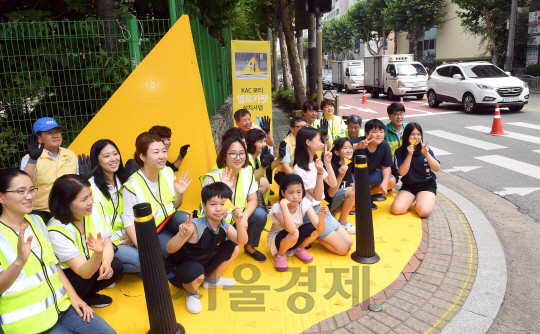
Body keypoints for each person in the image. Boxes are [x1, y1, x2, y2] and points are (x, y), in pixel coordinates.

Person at [0, 169, 116, 334]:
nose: (29, 196)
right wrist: (19, 262)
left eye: (31, 190)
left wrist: (75, 298)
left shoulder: (37, 221)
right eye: (21, 191)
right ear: (1, 197)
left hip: (62, 307)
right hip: (30, 323)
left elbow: (53, 266)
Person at [165, 182, 248, 314]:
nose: (219, 209)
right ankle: (192, 293)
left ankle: (212, 280)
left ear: (228, 206)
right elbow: (169, 249)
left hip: (202, 266)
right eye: (213, 204)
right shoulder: (194, 226)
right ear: (204, 205)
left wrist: (239, 222)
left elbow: (242, 240)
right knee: (197, 271)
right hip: (179, 271)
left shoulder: (224, 225)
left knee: (233, 246)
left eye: (223, 204)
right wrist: (181, 236)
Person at [47, 175, 124, 308]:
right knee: (83, 281)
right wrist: (98, 255)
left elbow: (106, 243)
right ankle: (71, 303)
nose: (90, 201)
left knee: (115, 266)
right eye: (84, 199)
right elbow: (84, 272)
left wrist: (105, 262)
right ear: (66, 203)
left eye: (90, 195)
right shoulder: (55, 230)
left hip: (89, 265)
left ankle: (87, 297)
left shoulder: (96, 209)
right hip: (73, 275)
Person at [122, 133, 192, 258]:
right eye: (156, 152)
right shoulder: (131, 186)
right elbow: (128, 221)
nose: (162, 156)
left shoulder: (167, 171)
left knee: (188, 222)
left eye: (163, 151)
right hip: (152, 231)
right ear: (142, 156)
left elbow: (175, 205)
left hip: (170, 219)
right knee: (173, 253)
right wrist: (141, 246)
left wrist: (179, 194)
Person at [199, 137, 268, 262]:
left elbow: (253, 200)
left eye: (241, 153)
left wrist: (244, 218)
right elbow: (212, 211)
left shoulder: (247, 172)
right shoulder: (212, 177)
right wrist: (225, 188)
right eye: (232, 153)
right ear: (224, 156)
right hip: (216, 223)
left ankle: (249, 246)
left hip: (237, 219)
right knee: (226, 250)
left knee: (260, 214)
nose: (238, 157)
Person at [293, 127, 353, 256]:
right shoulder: (299, 170)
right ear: (308, 142)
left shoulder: (316, 162)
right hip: (309, 214)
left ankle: (317, 235)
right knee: (343, 250)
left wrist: (327, 162)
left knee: (350, 242)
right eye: (319, 140)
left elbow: (333, 183)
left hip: (321, 209)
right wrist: (320, 172)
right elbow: (317, 195)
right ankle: (312, 235)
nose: (322, 143)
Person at [87, 139, 140, 276]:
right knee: (141, 261)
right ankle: (106, 264)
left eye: (115, 154)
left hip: (127, 234)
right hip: (107, 242)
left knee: (156, 253)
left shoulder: (124, 180)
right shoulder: (90, 187)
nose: (113, 159)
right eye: (106, 156)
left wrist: (130, 234)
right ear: (97, 160)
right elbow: (95, 224)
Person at [20, 117, 78, 223]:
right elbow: (24, 184)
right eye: (49, 133)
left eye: (57, 131)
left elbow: (77, 182)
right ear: (39, 139)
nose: (55, 135)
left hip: (69, 209)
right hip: (41, 213)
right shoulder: (29, 158)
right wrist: (33, 159)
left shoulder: (70, 154)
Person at [268, 174, 328, 272]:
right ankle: (280, 255)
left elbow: (321, 229)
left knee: (315, 229)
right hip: (278, 240)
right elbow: (291, 229)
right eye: (291, 193)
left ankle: (299, 249)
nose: (295, 197)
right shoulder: (277, 207)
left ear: (303, 192)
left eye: (299, 192)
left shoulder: (304, 202)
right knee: (294, 232)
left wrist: (321, 216)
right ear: (283, 193)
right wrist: (283, 206)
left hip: (294, 237)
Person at [391, 123, 440, 217]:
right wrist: (409, 154)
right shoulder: (399, 151)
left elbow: (437, 168)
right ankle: (415, 198)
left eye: (418, 134)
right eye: (412, 134)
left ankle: (423, 198)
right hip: (409, 186)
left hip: (427, 185)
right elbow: (402, 172)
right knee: (396, 210)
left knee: (423, 212)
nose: (416, 137)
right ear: (406, 136)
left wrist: (426, 154)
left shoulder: (426, 149)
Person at [354, 119, 397, 207]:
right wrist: (357, 146)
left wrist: (384, 183)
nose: (379, 134)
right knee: (351, 191)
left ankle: (366, 195)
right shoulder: (358, 142)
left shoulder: (385, 145)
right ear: (366, 134)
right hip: (354, 176)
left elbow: (386, 167)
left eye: (381, 132)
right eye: (375, 132)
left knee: (391, 181)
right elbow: (338, 147)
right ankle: (357, 197)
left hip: (371, 174)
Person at [324, 138, 356, 234]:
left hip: (335, 201)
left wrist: (354, 184)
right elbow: (330, 193)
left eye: (351, 148)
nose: (349, 150)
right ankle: (343, 222)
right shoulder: (331, 166)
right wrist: (340, 176)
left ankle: (333, 213)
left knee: (359, 198)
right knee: (353, 192)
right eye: (345, 148)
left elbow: (349, 184)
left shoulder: (348, 164)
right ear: (337, 152)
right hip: (326, 202)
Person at [245, 129, 280, 200]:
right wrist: (264, 166)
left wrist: (280, 157)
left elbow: (269, 168)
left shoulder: (257, 156)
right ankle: (255, 203)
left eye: (264, 141)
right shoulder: (247, 158)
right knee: (263, 182)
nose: (264, 144)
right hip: (246, 195)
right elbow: (253, 178)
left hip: (250, 191)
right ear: (251, 144)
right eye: (260, 142)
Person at [273, 116, 308, 185]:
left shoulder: (308, 139)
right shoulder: (286, 144)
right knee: (293, 183)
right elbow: (286, 168)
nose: (304, 129)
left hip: (303, 171)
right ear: (292, 129)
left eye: (305, 127)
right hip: (286, 173)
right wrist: (300, 178)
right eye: (300, 127)